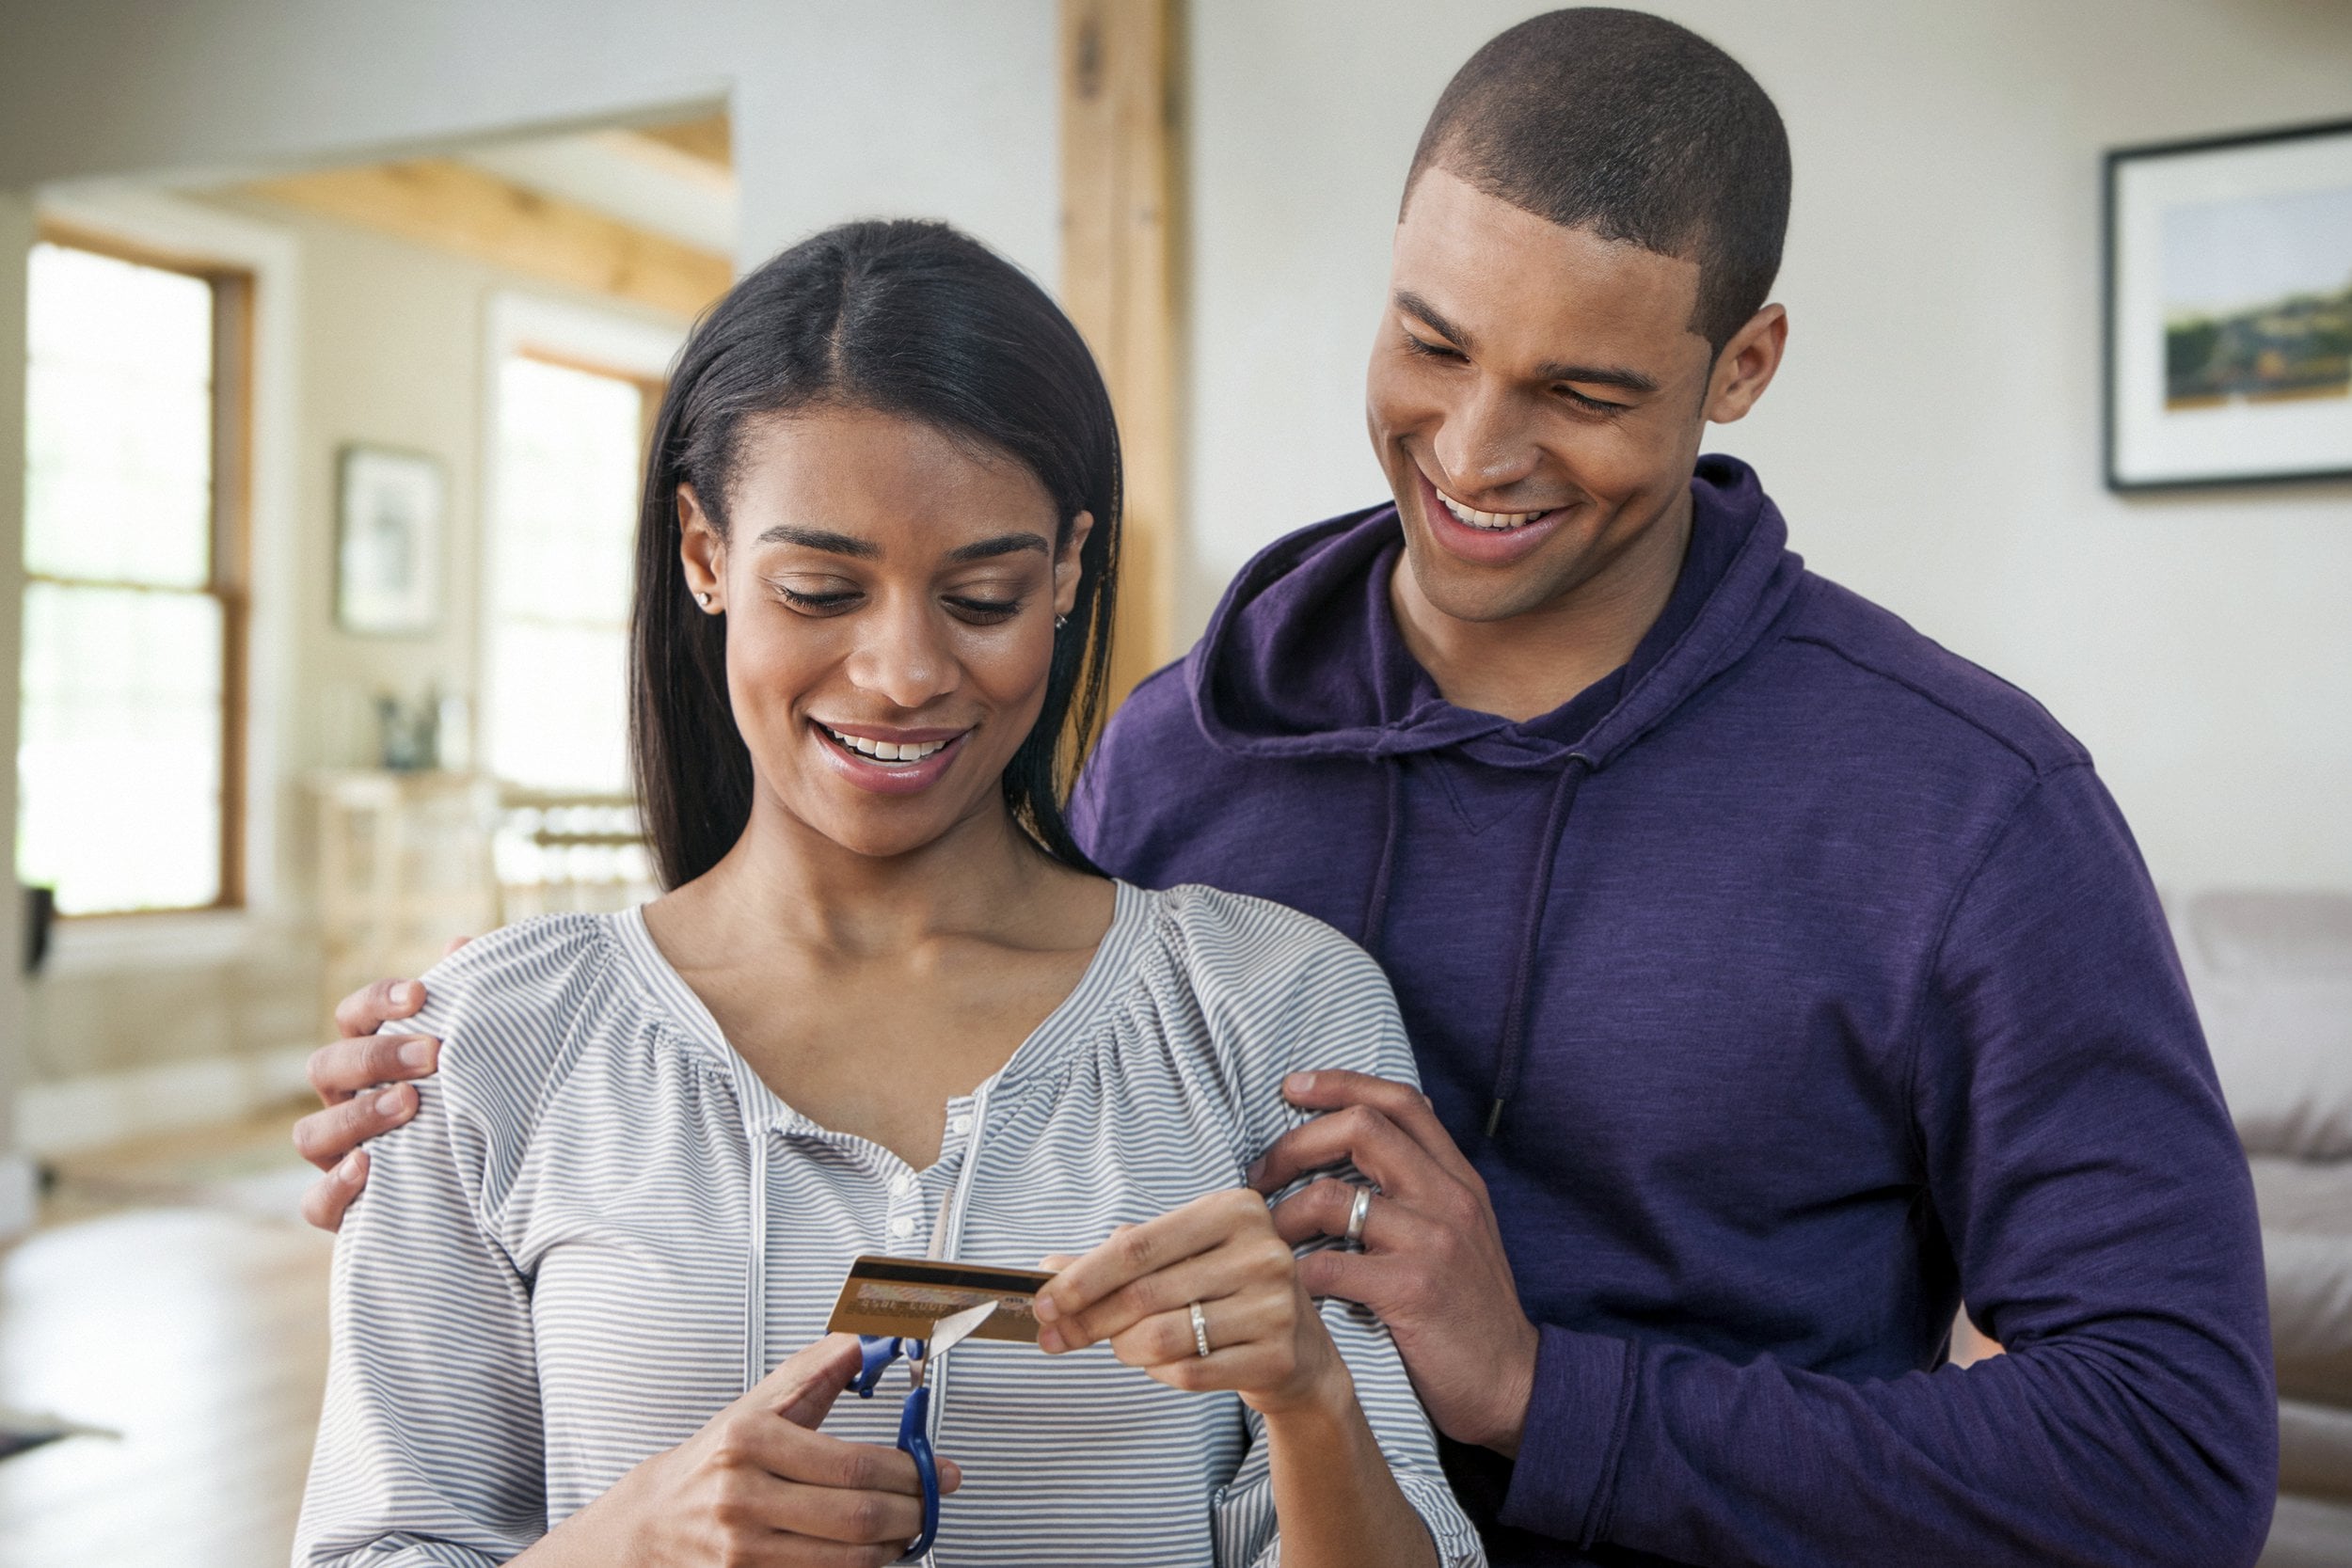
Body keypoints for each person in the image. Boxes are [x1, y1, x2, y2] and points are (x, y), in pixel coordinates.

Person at [297, 11, 2278, 1566]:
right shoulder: (1181, 752)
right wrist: (498, 1075)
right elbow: (909, 996)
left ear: (1737, 364)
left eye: (1583, 392)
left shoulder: (1966, 805)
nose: (1474, 448)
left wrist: (1527, 1393)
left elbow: (2175, 1464)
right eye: (1429, 342)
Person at [294, 218, 1482, 1568]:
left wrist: (1311, 1398)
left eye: (982, 596)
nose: (905, 670)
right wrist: (632, 1543)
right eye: (820, 588)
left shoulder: (1277, 1012)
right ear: (703, 554)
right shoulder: (491, 1043)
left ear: (1070, 574)